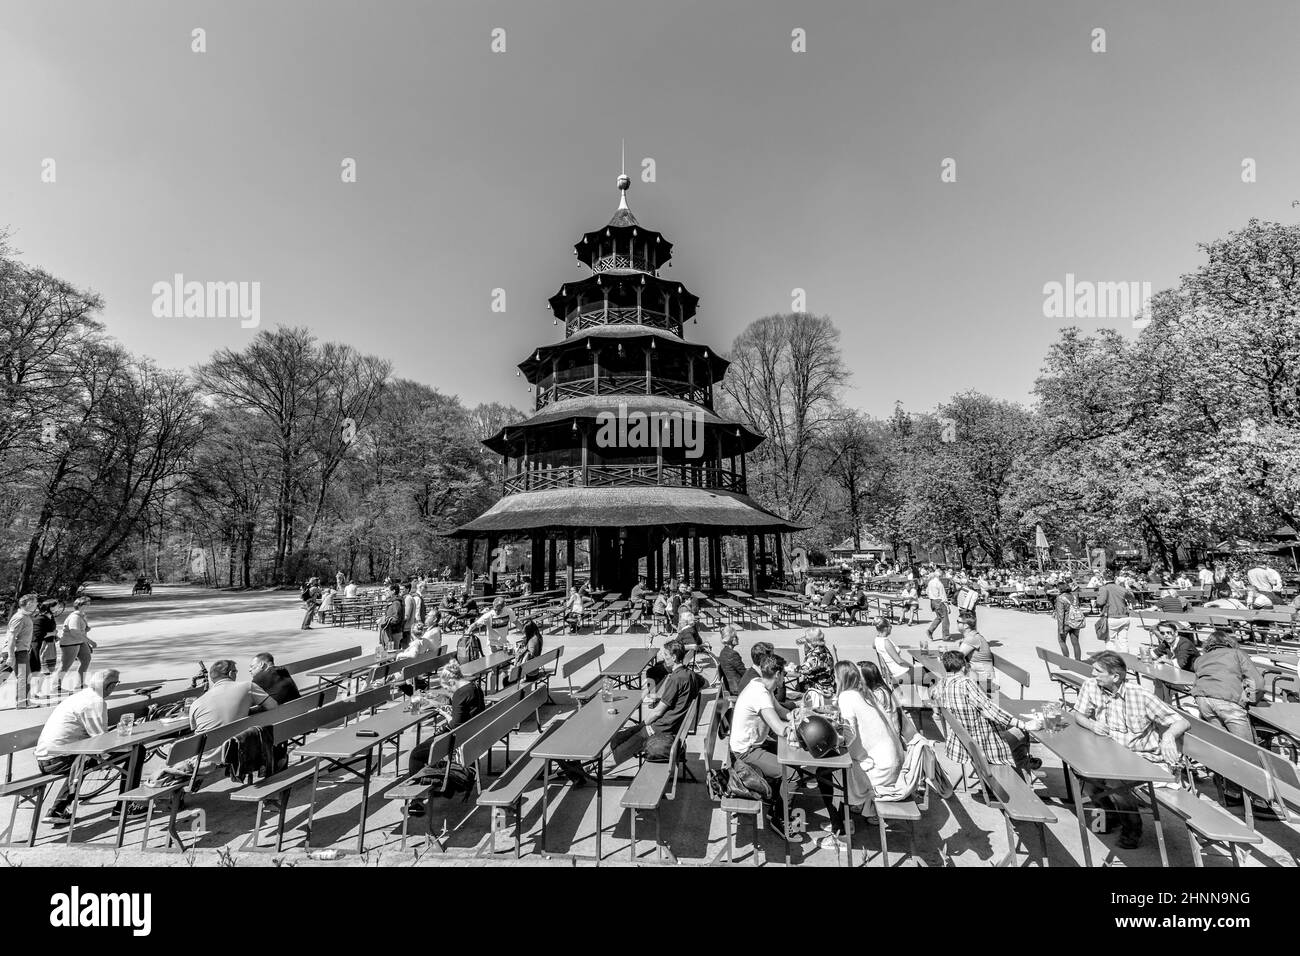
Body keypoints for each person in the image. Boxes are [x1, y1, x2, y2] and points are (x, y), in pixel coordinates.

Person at [1072, 651, 1189, 849]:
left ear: (1115, 676)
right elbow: (1078, 714)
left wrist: (1168, 736)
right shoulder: (1091, 686)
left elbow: (1181, 721)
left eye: (1098, 671)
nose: (1092, 674)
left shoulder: (1140, 695)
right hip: (1109, 751)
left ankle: (1132, 828)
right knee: (1083, 772)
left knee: (1115, 780)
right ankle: (1110, 814)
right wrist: (1092, 725)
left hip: (1141, 757)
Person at [817, 660, 907, 850]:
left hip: (880, 768)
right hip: (893, 761)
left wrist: (834, 741)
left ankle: (840, 833)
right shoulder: (864, 693)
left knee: (825, 773)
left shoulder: (847, 696)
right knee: (836, 772)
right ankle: (844, 821)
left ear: (840, 679)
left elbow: (849, 733)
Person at [35, 670, 143, 826]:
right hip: (60, 759)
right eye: (116, 684)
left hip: (46, 758)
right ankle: (125, 807)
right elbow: (101, 741)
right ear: (110, 686)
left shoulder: (80, 696)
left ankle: (58, 808)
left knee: (82, 758)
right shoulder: (95, 702)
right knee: (137, 751)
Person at [930, 651, 1039, 774]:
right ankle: (1022, 775)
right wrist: (1024, 724)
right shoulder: (966, 683)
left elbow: (932, 696)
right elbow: (989, 710)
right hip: (984, 745)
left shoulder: (942, 684)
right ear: (964, 666)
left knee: (1009, 728)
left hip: (963, 743)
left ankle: (1022, 766)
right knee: (1022, 733)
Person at [727, 654, 793, 840]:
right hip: (745, 752)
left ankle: (775, 802)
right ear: (778, 674)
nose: (785, 678)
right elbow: (779, 729)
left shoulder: (761, 684)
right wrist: (802, 728)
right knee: (789, 772)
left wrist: (797, 715)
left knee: (790, 758)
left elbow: (781, 712)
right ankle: (779, 819)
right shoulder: (760, 694)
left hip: (755, 745)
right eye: (784, 675)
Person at [407, 661, 484, 817]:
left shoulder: (460, 693)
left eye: (448, 687)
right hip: (472, 735)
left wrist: (445, 717)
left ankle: (416, 799)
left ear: (451, 681)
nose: (448, 690)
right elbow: (465, 715)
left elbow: (455, 724)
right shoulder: (475, 688)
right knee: (431, 747)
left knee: (416, 754)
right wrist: (445, 709)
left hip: (457, 739)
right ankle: (434, 783)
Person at [189, 659, 277, 734]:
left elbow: (193, 728)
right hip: (238, 749)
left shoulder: (195, 704)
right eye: (236, 671)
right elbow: (273, 705)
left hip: (205, 753)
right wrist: (247, 710)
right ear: (231, 673)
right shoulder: (248, 686)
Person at [2, 593, 37, 708]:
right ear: (29, 604)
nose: (37, 604)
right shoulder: (20, 617)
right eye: (35, 602)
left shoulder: (25, 616)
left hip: (19, 651)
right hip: (17, 652)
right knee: (24, 676)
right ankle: (23, 702)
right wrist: (11, 656)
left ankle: (23, 702)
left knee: (4, 675)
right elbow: (12, 637)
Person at [57, 596, 95, 693]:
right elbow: (74, 632)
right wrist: (90, 641)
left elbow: (80, 631)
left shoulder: (81, 615)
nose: (89, 605)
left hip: (80, 642)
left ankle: (80, 683)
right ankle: (55, 685)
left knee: (86, 659)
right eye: (87, 604)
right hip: (70, 643)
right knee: (65, 665)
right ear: (81, 605)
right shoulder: (75, 617)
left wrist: (86, 629)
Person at [950, 610, 994, 687]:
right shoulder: (971, 636)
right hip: (976, 674)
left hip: (984, 680)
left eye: (958, 622)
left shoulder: (972, 638)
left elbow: (956, 658)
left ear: (966, 626)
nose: (956, 623)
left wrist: (945, 656)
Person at [1094, 572, 1136, 652]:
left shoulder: (1104, 588)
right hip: (1124, 617)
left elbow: (1100, 602)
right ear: (1114, 578)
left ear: (1103, 578)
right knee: (1123, 641)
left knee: (1110, 641)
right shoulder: (1121, 588)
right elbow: (1132, 598)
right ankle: (1126, 660)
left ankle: (1113, 661)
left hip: (1111, 617)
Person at [31, 599, 62, 699]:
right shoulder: (40, 618)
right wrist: (53, 634)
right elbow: (37, 635)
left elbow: (50, 630)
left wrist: (55, 637)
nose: (59, 607)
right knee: (42, 670)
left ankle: (38, 690)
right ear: (50, 607)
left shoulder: (51, 617)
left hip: (50, 645)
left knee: (47, 670)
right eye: (57, 606)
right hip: (42, 646)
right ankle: (36, 691)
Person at [795, 627, 835, 697]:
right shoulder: (823, 648)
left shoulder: (815, 655)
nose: (807, 643)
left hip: (820, 688)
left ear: (812, 642)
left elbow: (806, 670)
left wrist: (795, 668)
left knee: (798, 687)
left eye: (808, 641)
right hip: (829, 684)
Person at [1054, 580, 1083, 660]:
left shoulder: (1060, 598)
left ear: (1060, 589)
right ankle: (1078, 661)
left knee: (1061, 641)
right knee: (1075, 642)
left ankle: (1066, 662)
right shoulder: (1074, 596)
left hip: (1066, 623)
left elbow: (1060, 615)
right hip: (1075, 621)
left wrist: (1060, 629)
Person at [717, 625, 747, 696]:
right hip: (737, 688)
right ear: (731, 639)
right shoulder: (733, 654)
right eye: (736, 637)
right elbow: (744, 673)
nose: (738, 638)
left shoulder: (723, 652)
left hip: (731, 686)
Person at [379, 583, 405, 650]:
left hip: (395, 632)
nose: (386, 592)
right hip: (391, 631)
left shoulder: (396, 602)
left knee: (394, 654)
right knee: (391, 653)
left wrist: (385, 620)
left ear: (393, 591)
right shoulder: (393, 601)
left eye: (388, 591)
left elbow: (396, 619)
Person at [925, 571, 949, 641]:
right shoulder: (939, 584)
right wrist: (947, 604)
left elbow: (927, 592)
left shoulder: (930, 582)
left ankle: (930, 630)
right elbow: (943, 595)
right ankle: (945, 636)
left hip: (932, 601)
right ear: (940, 576)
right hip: (939, 601)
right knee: (945, 619)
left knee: (939, 617)